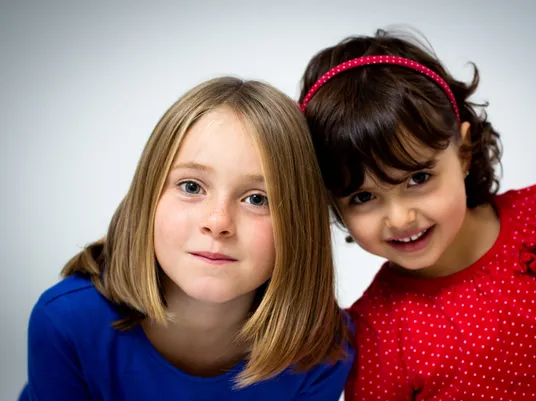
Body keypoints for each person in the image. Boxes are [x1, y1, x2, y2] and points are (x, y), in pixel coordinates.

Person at [298, 28, 536, 400]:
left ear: (464, 149)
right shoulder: (379, 336)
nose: (400, 217)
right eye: (363, 197)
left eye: (418, 177)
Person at [19, 77, 354, 401]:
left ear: (301, 224)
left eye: (257, 199)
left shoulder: (324, 349)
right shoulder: (67, 322)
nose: (218, 222)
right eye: (191, 187)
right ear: (147, 197)